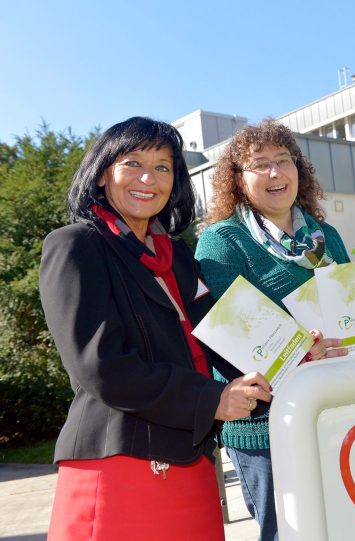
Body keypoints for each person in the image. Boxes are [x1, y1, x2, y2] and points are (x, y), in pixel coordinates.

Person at [39, 117, 272, 541]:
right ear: (102, 172)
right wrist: (210, 398)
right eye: (133, 163)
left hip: (192, 460)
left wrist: (299, 351)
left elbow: (223, 333)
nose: (149, 178)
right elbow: (101, 366)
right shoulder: (76, 245)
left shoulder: (179, 257)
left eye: (163, 167)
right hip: (120, 463)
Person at [195, 118, 350, 541]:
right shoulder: (222, 242)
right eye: (259, 164)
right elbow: (230, 341)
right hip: (264, 431)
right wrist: (302, 351)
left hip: (334, 414)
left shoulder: (326, 237)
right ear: (238, 179)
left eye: (284, 160)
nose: (275, 173)